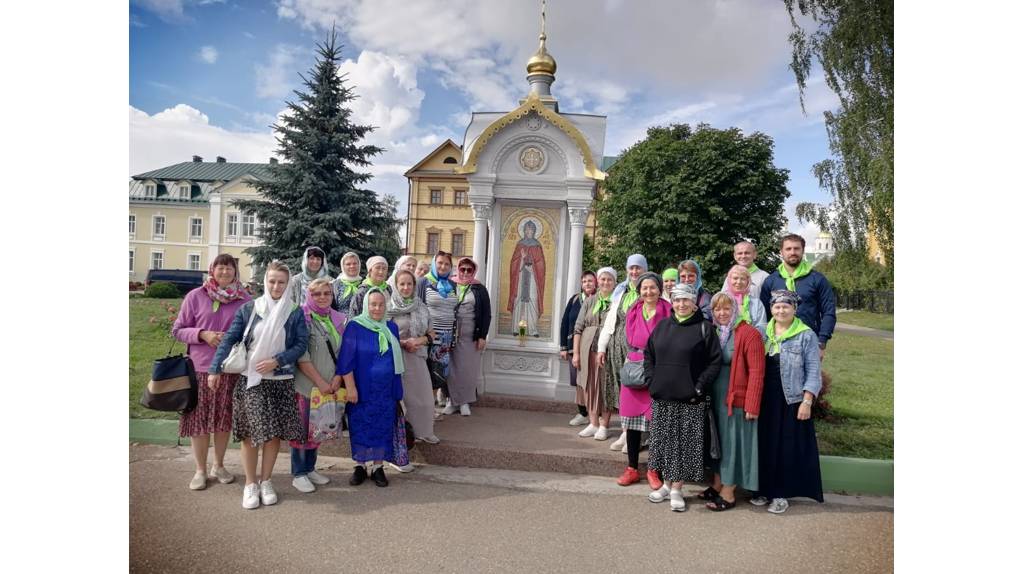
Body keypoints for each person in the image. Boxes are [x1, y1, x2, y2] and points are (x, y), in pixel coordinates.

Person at [208, 260, 308, 510]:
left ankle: (266, 481)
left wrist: (278, 360)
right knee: (252, 434)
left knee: (273, 434)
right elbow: (230, 339)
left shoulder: (294, 312)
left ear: (287, 285)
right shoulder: (250, 309)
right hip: (251, 380)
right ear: (266, 281)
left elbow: (300, 345)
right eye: (272, 281)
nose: (276, 286)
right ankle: (250, 484)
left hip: (280, 380)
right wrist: (215, 368)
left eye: (281, 282)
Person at [172, 254, 252, 490]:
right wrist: (202, 334)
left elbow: (253, 330)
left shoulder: (244, 299)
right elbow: (177, 330)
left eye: (229, 268)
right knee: (199, 421)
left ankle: (218, 464)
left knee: (223, 420)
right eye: (220, 268)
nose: (225, 272)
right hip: (200, 369)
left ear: (235, 272)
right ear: (212, 270)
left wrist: (234, 339)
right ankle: (200, 469)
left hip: (231, 369)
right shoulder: (196, 296)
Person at [644, 283, 722, 511]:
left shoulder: (705, 328)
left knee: (684, 445)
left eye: (686, 300)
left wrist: (699, 386)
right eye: (677, 300)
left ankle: (677, 488)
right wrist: (651, 380)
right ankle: (666, 485)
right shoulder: (662, 326)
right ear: (672, 301)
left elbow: (714, 362)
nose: (681, 304)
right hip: (663, 396)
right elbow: (649, 355)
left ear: (694, 303)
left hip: (690, 398)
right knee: (665, 443)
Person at [753, 290, 824, 513]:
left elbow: (813, 370)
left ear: (794, 308)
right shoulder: (764, 333)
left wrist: (807, 400)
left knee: (786, 447)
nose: (781, 310)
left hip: (791, 399)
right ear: (771, 309)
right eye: (776, 306)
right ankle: (764, 489)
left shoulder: (806, 335)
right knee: (765, 444)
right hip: (766, 399)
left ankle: (781, 494)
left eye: (786, 306)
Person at [332, 288, 405, 488]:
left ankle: (378, 467)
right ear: (365, 305)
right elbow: (346, 359)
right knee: (360, 425)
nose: (377, 308)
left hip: (385, 390)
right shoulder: (355, 326)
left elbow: (396, 362)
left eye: (381, 304)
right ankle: (360, 466)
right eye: (373, 304)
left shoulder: (391, 327)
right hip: (361, 388)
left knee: (382, 426)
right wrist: (350, 387)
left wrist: (397, 390)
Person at [700, 292, 764, 512]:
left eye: (726, 308)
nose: (722, 313)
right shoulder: (716, 332)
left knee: (733, 444)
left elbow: (757, 372)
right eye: (717, 309)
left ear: (735, 309)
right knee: (719, 443)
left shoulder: (748, 334)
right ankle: (718, 484)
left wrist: (752, 404)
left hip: (736, 399)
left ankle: (729, 492)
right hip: (716, 398)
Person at [289, 277, 346, 494]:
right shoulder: (302, 318)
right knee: (303, 429)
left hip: (329, 385)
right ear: (308, 296)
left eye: (327, 293)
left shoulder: (337, 319)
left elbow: (343, 353)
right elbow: (301, 356)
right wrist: (321, 382)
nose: (322, 297)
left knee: (318, 429)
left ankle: (310, 468)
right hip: (307, 386)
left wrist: (337, 379)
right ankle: (298, 473)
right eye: (317, 294)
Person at [616, 271, 672, 489]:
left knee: (656, 422)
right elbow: (627, 338)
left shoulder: (669, 310)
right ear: (639, 291)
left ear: (659, 289)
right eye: (644, 288)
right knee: (631, 424)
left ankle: (653, 469)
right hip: (634, 366)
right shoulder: (633, 310)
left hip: (659, 367)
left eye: (652, 287)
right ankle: (631, 468)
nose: (648, 292)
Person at [597, 253, 648, 452]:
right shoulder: (621, 291)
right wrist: (602, 347)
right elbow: (610, 322)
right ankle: (625, 432)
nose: (634, 272)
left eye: (638, 268)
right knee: (619, 392)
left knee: (635, 391)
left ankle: (635, 436)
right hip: (616, 349)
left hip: (636, 350)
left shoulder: (650, 291)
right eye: (631, 268)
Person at [759, 234, 837, 361]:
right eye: (788, 249)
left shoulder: (817, 279)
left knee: (806, 380)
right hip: (776, 344)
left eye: (796, 248)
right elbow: (764, 314)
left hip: (807, 342)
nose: (793, 252)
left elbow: (829, 312)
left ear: (803, 251)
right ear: (781, 252)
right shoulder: (771, 281)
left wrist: (822, 342)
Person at [386, 269, 439, 444]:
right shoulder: (388, 307)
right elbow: (383, 333)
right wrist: (403, 343)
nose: (406, 287)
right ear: (395, 285)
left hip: (417, 356)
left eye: (409, 283)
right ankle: (407, 436)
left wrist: (419, 340)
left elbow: (432, 333)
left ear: (414, 286)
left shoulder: (421, 307)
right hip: (396, 357)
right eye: (402, 284)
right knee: (404, 399)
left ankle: (424, 431)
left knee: (424, 398)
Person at [572, 267, 618, 440]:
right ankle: (593, 423)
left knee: (605, 385)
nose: (605, 282)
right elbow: (578, 328)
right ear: (598, 281)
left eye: (609, 280)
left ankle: (604, 425)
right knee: (589, 386)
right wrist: (576, 353)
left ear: (614, 282)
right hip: (587, 349)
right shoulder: (589, 301)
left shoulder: (617, 301)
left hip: (607, 350)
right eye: (603, 279)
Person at [449, 257, 492, 416]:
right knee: (452, 369)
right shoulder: (450, 285)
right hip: (452, 334)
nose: (466, 272)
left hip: (471, 335)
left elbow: (486, 314)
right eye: (463, 269)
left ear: (474, 271)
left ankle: (465, 401)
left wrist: (482, 336)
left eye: (469, 270)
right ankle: (452, 401)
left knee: (468, 369)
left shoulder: (479, 288)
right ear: (458, 269)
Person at [417, 251, 459, 414]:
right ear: (434, 264)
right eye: (440, 263)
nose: (443, 266)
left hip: (446, 337)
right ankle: (425, 409)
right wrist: (426, 333)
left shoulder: (453, 285)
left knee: (440, 373)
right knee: (427, 371)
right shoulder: (423, 282)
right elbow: (419, 308)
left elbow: (455, 310)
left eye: (447, 264)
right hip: (430, 336)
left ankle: (432, 408)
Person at [561, 270, 597, 426]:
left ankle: (596, 414)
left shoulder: (600, 300)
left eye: (590, 281)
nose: (587, 284)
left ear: (596, 282)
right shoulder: (575, 299)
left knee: (594, 381)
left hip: (593, 348)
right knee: (578, 381)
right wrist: (563, 346)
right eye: (584, 281)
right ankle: (582, 413)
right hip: (573, 347)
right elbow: (565, 323)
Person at [507, 220, 546, 336]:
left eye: (531, 230)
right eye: (527, 229)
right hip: (520, 278)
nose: (529, 232)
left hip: (533, 278)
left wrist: (529, 262)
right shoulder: (520, 245)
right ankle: (516, 329)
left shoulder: (537, 246)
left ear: (534, 231)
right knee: (518, 299)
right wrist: (522, 259)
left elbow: (541, 265)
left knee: (533, 300)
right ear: (524, 231)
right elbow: (514, 262)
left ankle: (533, 329)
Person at [723, 265, 768, 338]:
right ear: (729, 280)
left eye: (743, 279)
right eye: (735, 278)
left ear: (748, 281)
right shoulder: (721, 299)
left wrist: (746, 337)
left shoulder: (756, 303)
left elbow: (762, 327)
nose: (739, 282)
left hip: (751, 343)